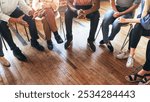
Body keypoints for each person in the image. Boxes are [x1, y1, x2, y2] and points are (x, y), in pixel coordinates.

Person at [117, 0, 149, 68]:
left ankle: (130, 54)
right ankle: (130, 53)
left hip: (148, 25)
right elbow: (143, 18)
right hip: (145, 22)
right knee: (135, 29)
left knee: (136, 28)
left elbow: (146, 23)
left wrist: (126, 20)